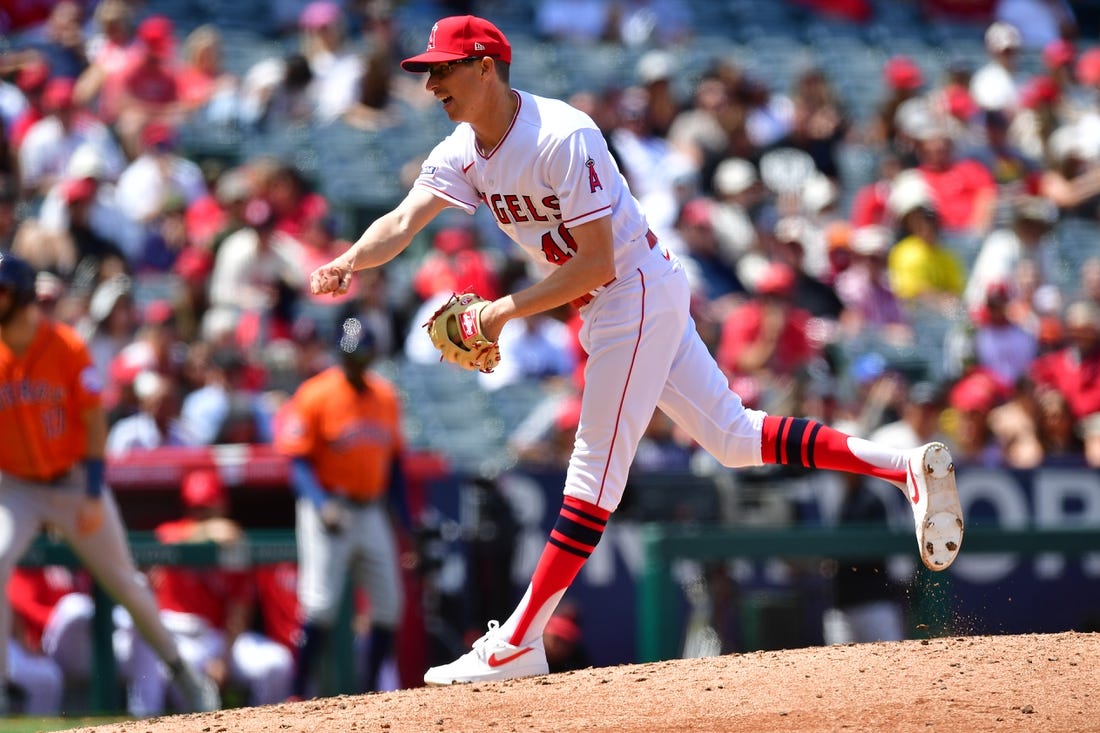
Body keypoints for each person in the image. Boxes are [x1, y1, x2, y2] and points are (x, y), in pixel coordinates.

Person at [306, 15, 965, 686]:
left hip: (630, 289)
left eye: (443, 67)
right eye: (427, 71)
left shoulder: (562, 135)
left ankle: (520, 639)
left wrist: (500, 311)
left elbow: (594, 262)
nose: (432, 81)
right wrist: (350, 260)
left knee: (593, 472)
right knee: (735, 438)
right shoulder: (463, 150)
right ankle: (904, 466)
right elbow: (403, 219)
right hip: (623, 300)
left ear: (485, 66)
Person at [0, 251, 219, 714]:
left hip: (75, 480)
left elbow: (94, 423)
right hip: (16, 486)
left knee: (125, 582)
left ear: (18, 296)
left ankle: (182, 670)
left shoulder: (63, 345)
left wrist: (95, 490)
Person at [274, 316, 407, 697]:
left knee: (388, 607)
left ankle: (366, 695)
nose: (356, 361)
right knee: (320, 606)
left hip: (371, 509)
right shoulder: (315, 394)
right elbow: (297, 462)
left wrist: (406, 523)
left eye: (362, 354)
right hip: (329, 506)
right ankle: (297, 693)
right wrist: (319, 504)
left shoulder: (385, 396)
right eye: (351, 354)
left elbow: (395, 466)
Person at [119, 468, 293, 714]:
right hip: (174, 636)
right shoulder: (169, 533)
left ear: (223, 507)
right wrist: (205, 531)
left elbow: (240, 608)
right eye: (195, 509)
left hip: (217, 638)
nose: (200, 516)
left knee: (276, 663)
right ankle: (143, 721)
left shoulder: (234, 545)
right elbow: (168, 540)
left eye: (207, 509)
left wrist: (223, 658)